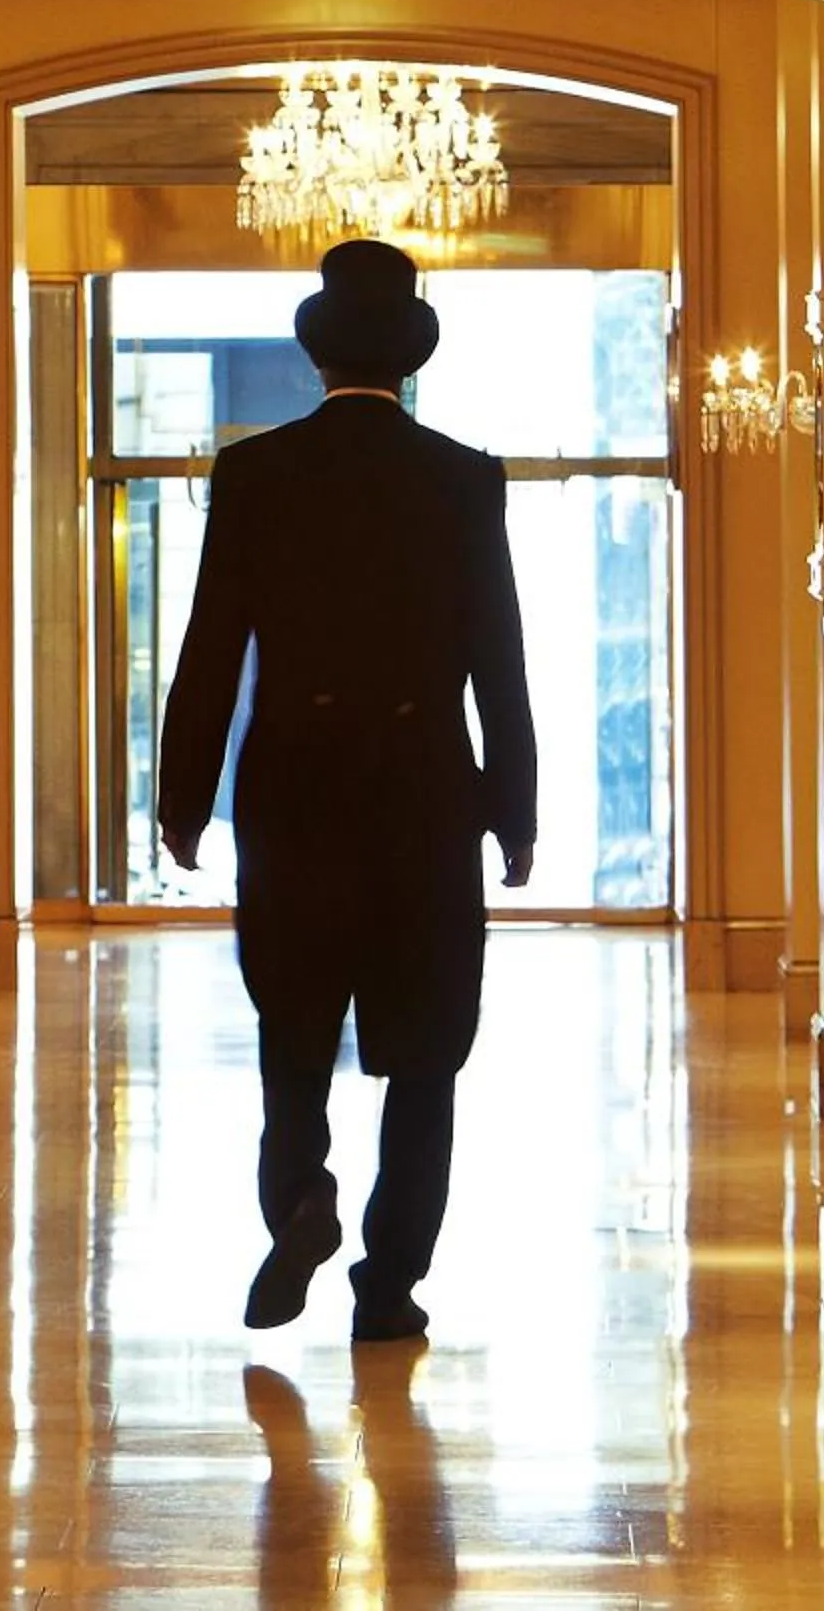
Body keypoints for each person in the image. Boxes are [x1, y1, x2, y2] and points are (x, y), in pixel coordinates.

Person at [157, 238, 537, 1342]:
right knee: (427, 1056)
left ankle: (301, 1199)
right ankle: (391, 1286)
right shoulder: (462, 478)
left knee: (294, 1024)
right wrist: (512, 807)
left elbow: (210, 650)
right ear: (409, 363)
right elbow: (496, 656)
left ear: (316, 361)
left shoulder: (257, 474)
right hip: (423, 796)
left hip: (297, 794)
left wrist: (183, 799)